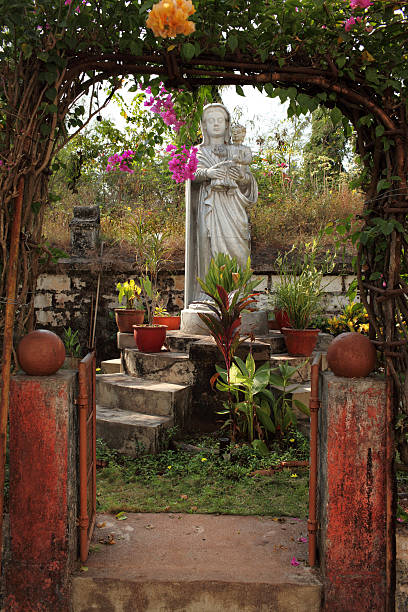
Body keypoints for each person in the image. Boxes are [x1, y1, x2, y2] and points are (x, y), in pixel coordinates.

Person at [185, 103, 258, 305]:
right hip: (210, 206)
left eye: (220, 120)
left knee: (240, 246)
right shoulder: (196, 151)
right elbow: (191, 176)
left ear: (227, 125)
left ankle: (239, 295)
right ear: (203, 126)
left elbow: (247, 179)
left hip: (234, 206)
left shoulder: (237, 149)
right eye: (211, 120)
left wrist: (241, 178)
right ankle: (210, 295)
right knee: (209, 247)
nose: (216, 124)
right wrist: (208, 173)